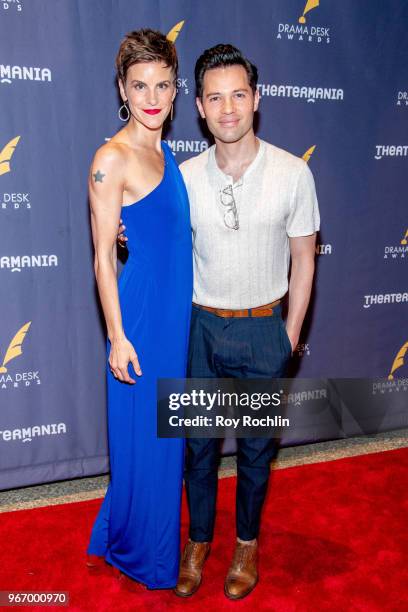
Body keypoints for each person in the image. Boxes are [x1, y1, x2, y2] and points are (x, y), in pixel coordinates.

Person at [119, 44, 319, 600]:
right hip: (201, 331)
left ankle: (247, 543)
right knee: (198, 447)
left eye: (238, 95)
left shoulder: (292, 173)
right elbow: (154, 238)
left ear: (256, 99)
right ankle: (199, 542)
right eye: (214, 97)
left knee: (257, 451)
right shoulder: (181, 178)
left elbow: (305, 256)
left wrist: (290, 334)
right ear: (200, 109)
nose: (228, 108)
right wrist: (126, 232)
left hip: (263, 330)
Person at [86, 29, 192, 590]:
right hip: (142, 317)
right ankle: (141, 553)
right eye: (139, 85)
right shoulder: (112, 157)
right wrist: (118, 336)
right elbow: (103, 258)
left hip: (177, 316)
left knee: (162, 436)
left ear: (176, 92)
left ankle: (121, 528)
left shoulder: (165, 149)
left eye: (163, 85)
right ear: (123, 91)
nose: (152, 97)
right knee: (147, 439)